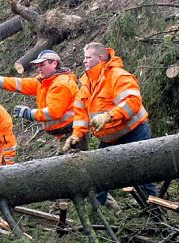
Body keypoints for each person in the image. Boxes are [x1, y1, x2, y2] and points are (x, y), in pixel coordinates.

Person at [60, 42, 156, 204]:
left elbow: (132, 103)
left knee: (141, 177)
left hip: (134, 132)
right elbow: (81, 114)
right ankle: (100, 218)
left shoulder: (118, 76)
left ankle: (156, 215)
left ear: (100, 58)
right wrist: (76, 135)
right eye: (84, 57)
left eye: (88, 58)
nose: (84, 61)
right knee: (97, 178)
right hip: (109, 140)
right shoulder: (87, 84)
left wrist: (108, 116)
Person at [0, 50, 86, 151]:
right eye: (38, 66)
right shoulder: (44, 82)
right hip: (66, 133)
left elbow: (53, 112)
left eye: (42, 65)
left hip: (74, 133)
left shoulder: (61, 84)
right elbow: (20, 84)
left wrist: (29, 113)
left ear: (54, 63)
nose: (39, 69)